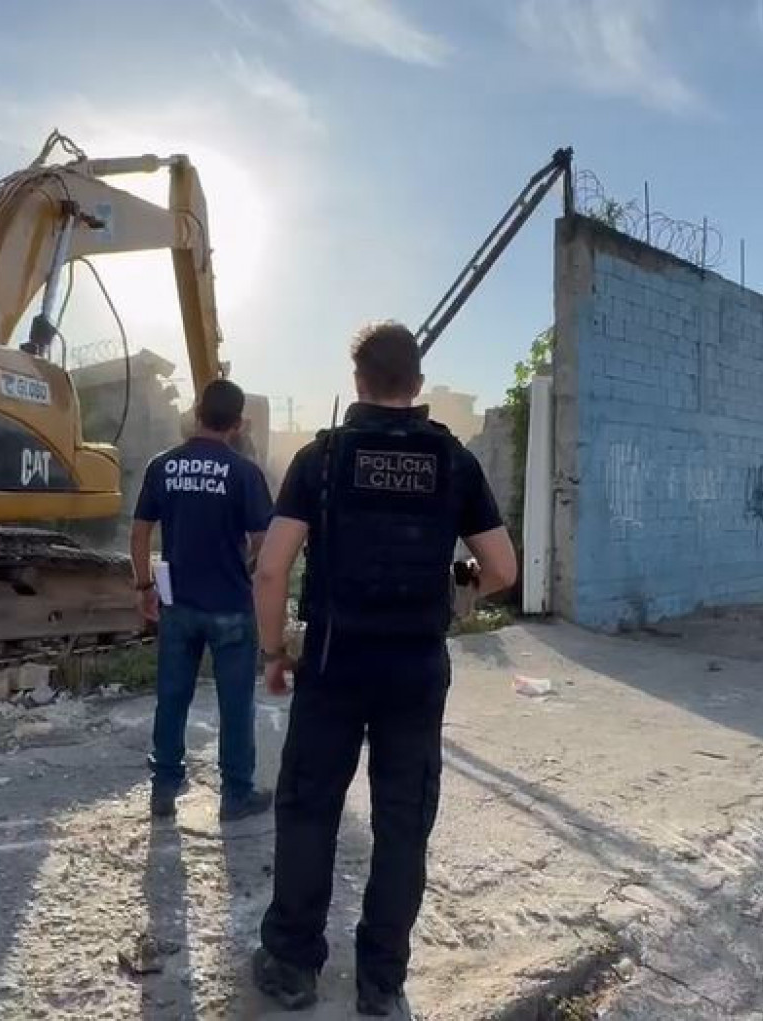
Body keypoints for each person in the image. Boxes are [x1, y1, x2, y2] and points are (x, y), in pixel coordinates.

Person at [248, 322, 518, 1016]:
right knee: (403, 822)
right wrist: (453, 588)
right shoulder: (452, 461)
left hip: (333, 664)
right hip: (415, 672)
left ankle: (292, 963)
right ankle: (381, 981)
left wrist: (275, 652)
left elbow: (272, 568)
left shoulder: (323, 457)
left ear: (358, 381)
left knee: (309, 808)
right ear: (418, 384)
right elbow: (503, 569)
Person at [130, 378, 276, 822]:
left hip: (178, 605)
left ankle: (164, 790)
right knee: (236, 704)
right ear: (238, 423)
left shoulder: (163, 466)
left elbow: (140, 532)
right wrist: (244, 563)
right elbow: (263, 541)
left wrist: (144, 587)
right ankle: (235, 796)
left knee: (172, 697)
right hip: (231, 604)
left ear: (195, 412)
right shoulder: (246, 473)